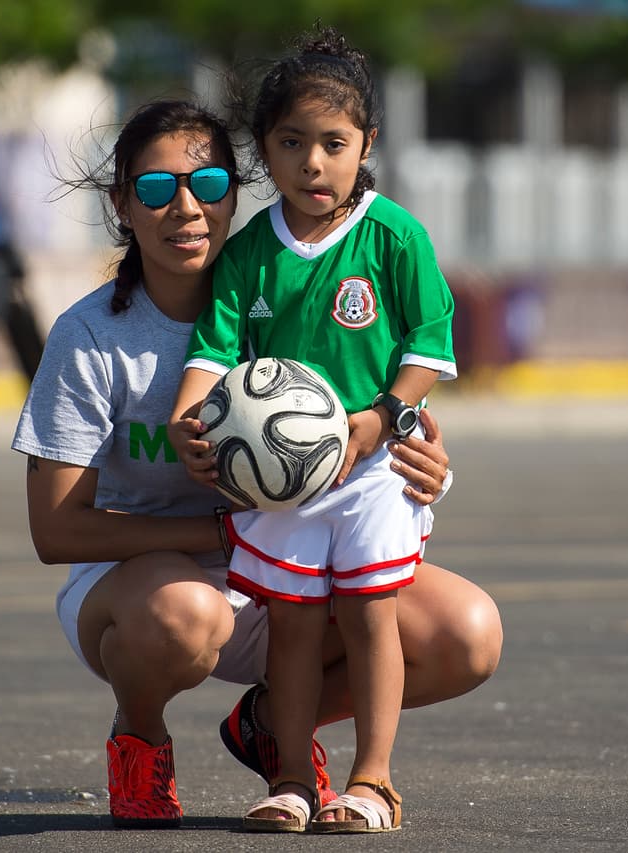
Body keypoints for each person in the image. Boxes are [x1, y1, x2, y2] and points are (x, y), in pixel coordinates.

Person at [11, 98, 501, 830]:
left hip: (280, 562)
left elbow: (364, 413)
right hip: (144, 589)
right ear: (121, 204)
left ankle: (274, 724)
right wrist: (218, 531)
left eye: (208, 185)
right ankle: (139, 735)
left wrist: (426, 459)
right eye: (154, 188)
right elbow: (55, 533)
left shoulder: (277, 289)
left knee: (467, 633)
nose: (186, 207)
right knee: (185, 615)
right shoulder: (89, 337)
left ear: (236, 191)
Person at [167, 27, 456, 833]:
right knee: (292, 625)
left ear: (366, 143)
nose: (313, 163)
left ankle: (373, 780)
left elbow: (429, 349)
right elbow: (215, 350)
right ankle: (292, 777)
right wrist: (190, 417)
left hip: (374, 466)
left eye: (333, 143)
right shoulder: (251, 251)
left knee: (371, 616)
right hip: (278, 478)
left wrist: (381, 418)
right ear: (265, 150)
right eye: (292, 143)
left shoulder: (394, 236)